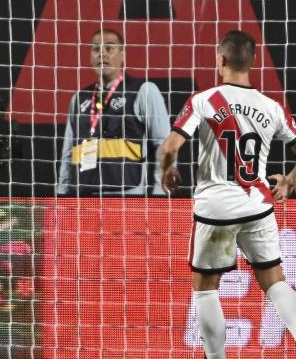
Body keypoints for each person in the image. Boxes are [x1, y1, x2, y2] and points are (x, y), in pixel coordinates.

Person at [161, 29, 296, 358]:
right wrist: (290, 181)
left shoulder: (204, 101)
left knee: (206, 290)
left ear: (220, 59)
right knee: (275, 281)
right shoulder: (272, 107)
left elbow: (170, 147)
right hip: (256, 206)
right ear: (252, 62)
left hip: (215, 210)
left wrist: (168, 169)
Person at [56, 29, 171, 196]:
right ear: (90, 57)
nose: (102, 54)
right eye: (96, 49)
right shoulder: (79, 99)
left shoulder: (143, 91)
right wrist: (62, 193)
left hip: (128, 196)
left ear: (123, 54)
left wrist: (160, 194)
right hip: (84, 196)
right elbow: (67, 153)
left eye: (109, 48)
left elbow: (164, 145)